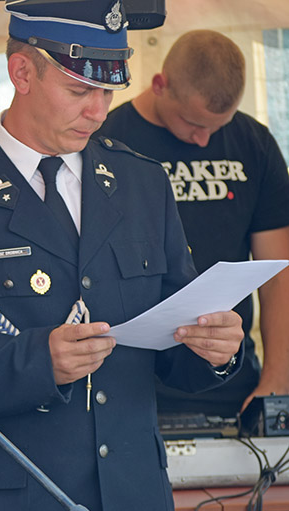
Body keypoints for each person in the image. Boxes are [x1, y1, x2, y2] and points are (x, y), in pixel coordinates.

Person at [0, 2, 244, 511]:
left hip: (134, 497)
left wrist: (214, 348)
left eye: (107, 91)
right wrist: (35, 361)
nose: (98, 110)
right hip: (13, 499)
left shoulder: (142, 183)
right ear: (22, 72)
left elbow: (172, 344)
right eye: (79, 90)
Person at [96, 29, 289, 418]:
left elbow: (277, 275)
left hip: (226, 374)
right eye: (191, 122)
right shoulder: (107, 141)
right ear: (159, 85)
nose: (203, 140)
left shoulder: (253, 142)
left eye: (218, 127)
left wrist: (277, 381)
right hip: (130, 382)